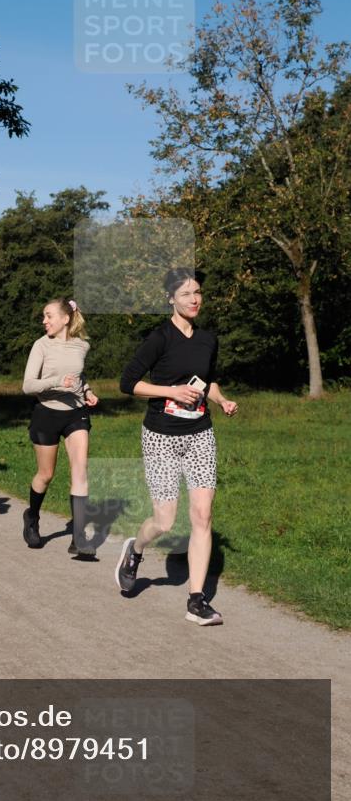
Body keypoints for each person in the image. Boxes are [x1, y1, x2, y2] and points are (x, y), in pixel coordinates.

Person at [116, 268, 238, 626]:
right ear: (171, 299)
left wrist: (221, 400)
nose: (194, 299)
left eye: (198, 292)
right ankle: (135, 550)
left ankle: (196, 600)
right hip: (161, 436)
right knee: (165, 521)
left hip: (200, 434)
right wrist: (170, 391)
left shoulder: (207, 340)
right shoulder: (159, 338)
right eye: (186, 294)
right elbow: (128, 383)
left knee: (202, 516)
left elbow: (208, 382)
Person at [22, 298, 98, 551]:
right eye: (44, 316)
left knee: (80, 470)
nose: (44, 321)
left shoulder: (82, 346)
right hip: (47, 413)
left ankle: (78, 537)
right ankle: (32, 517)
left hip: (76, 413)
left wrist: (86, 391)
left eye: (49, 316)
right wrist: (55, 382)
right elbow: (28, 385)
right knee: (46, 475)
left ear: (65, 319)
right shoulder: (41, 345)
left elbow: (78, 375)